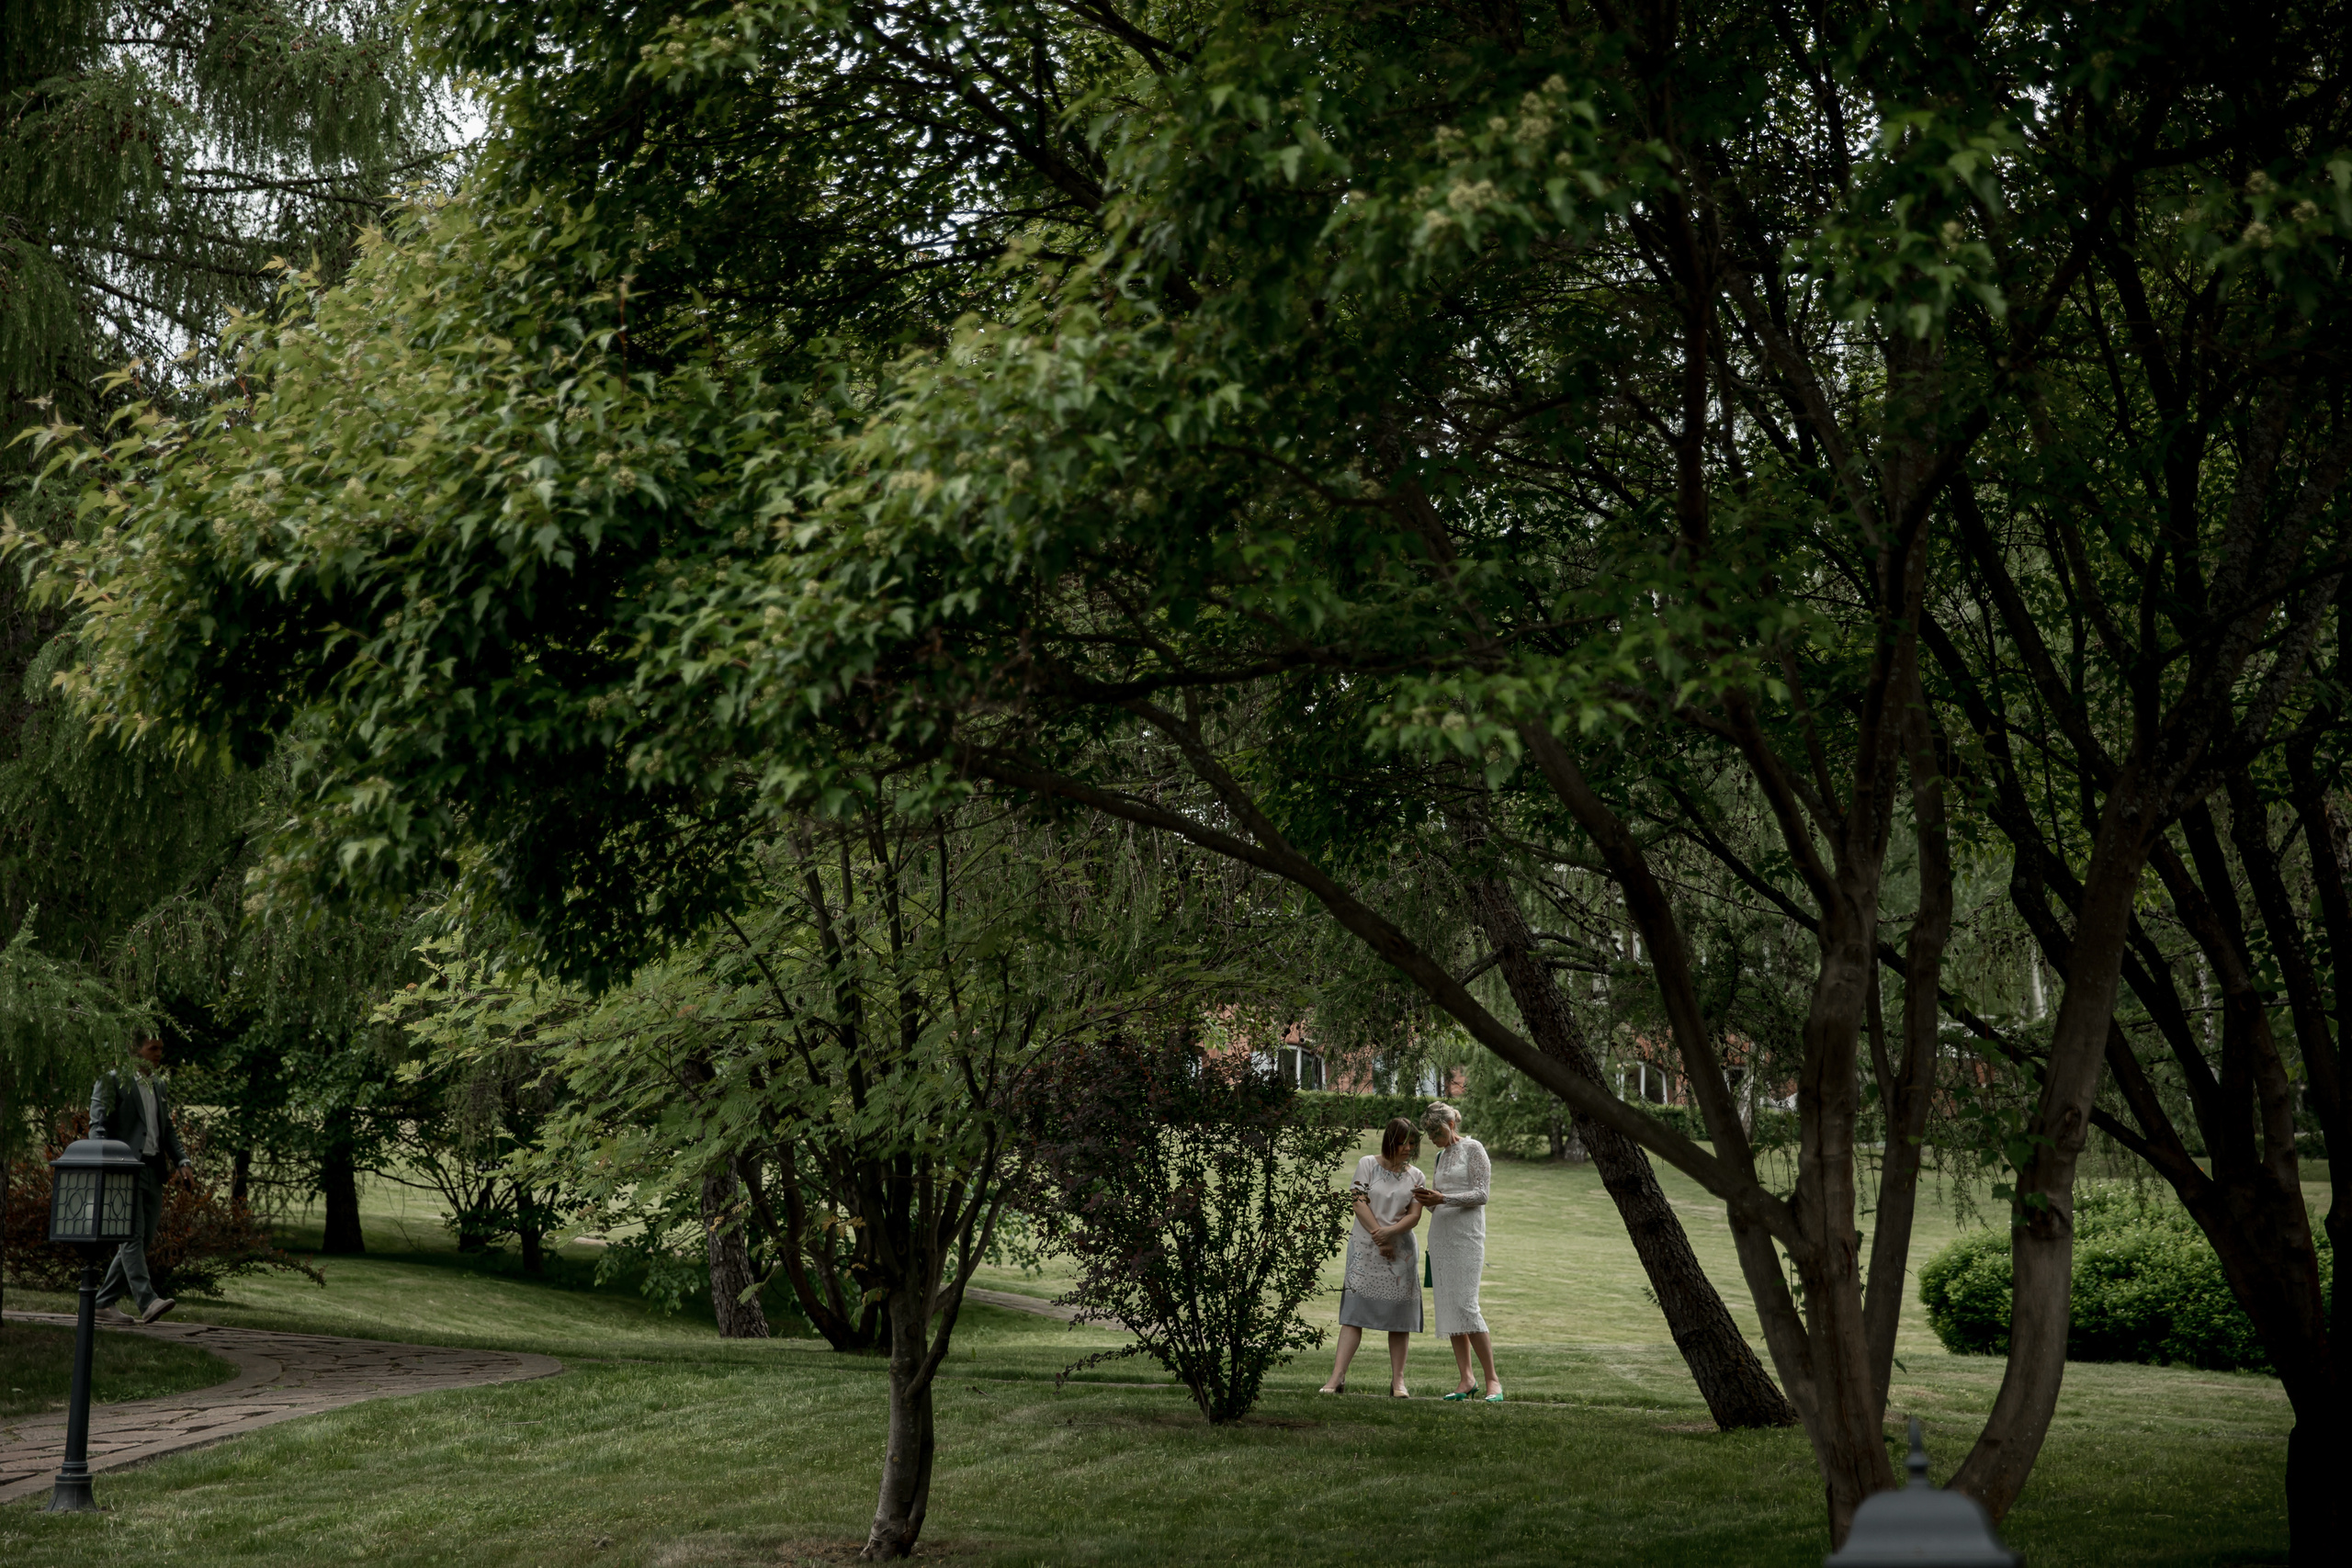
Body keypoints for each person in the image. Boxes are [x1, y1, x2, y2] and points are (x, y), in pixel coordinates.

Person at [1319, 1117, 1425, 1397]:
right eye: (1403, 1142)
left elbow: (1414, 1216)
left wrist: (1390, 1235)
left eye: (1412, 1143)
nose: (1408, 1148)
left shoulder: (1417, 1176)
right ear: (1390, 1141)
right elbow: (1358, 1201)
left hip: (1400, 1253)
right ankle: (1337, 1378)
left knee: (1400, 1318)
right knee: (1354, 1314)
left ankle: (1398, 1382)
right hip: (1366, 1248)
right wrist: (1380, 1236)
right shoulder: (1367, 1164)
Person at [91, 1035, 193, 1324]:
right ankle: (147, 1301)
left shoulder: (159, 1085)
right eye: (153, 1049)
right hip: (123, 1169)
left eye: (161, 1048)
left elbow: (167, 1129)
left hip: (153, 1170)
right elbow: (97, 1126)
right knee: (131, 1236)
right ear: (135, 1050)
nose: (159, 1054)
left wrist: (182, 1162)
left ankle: (103, 1302)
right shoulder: (111, 1081)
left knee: (142, 1239)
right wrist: (103, 1164)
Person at [1414, 1100, 1501, 1402]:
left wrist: (1443, 1199)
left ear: (1451, 1125)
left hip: (1467, 1237)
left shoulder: (1474, 1148)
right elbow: (1440, 1198)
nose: (1433, 1140)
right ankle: (1466, 1379)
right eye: (1429, 1136)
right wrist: (1429, 1202)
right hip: (1440, 1235)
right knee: (1450, 1308)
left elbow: (1482, 1194)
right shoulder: (1440, 1157)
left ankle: (1493, 1381)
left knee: (1466, 1306)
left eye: (1436, 1133)